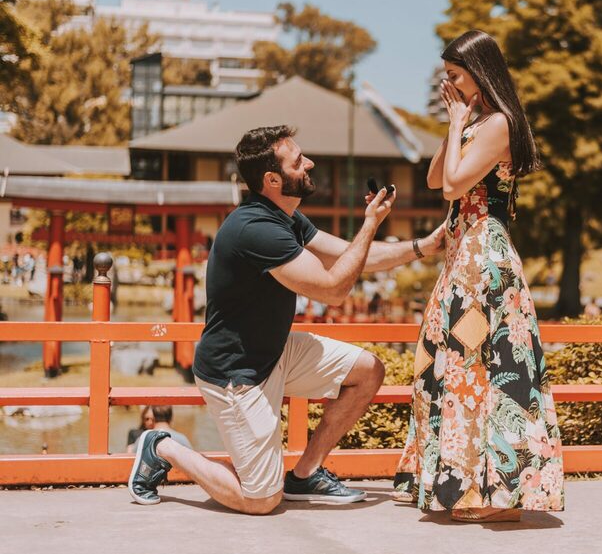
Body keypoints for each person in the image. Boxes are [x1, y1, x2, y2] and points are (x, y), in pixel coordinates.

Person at [128, 125, 445, 515]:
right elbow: (333, 289)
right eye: (298, 162)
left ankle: (305, 474)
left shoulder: (285, 219)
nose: (309, 163)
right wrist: (370, 223)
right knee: (261, 499)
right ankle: (161, 446)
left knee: (368, 371)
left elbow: (349, 254)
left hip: (274, 351)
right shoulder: (256, 230)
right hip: (236, 372)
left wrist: (423, 247)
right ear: (272, 180)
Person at [393, 30, 564, 522]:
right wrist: (455, 126)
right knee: (446, 360)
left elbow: (451, 186)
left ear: (478, 72)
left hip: (482, 254)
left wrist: (457, 124)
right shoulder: (474, 123)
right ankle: (459, 485)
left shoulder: (499, 123)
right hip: (461, 252)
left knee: (480, 365)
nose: (447, 83)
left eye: (454, 75)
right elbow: (434, 178)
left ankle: (494, 495)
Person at [126, 406, 192, 452]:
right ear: (171, 418)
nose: (149, 422)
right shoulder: (182, 439)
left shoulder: (141, 440)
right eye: (147, 419)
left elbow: (131, 461)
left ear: (154, 418)